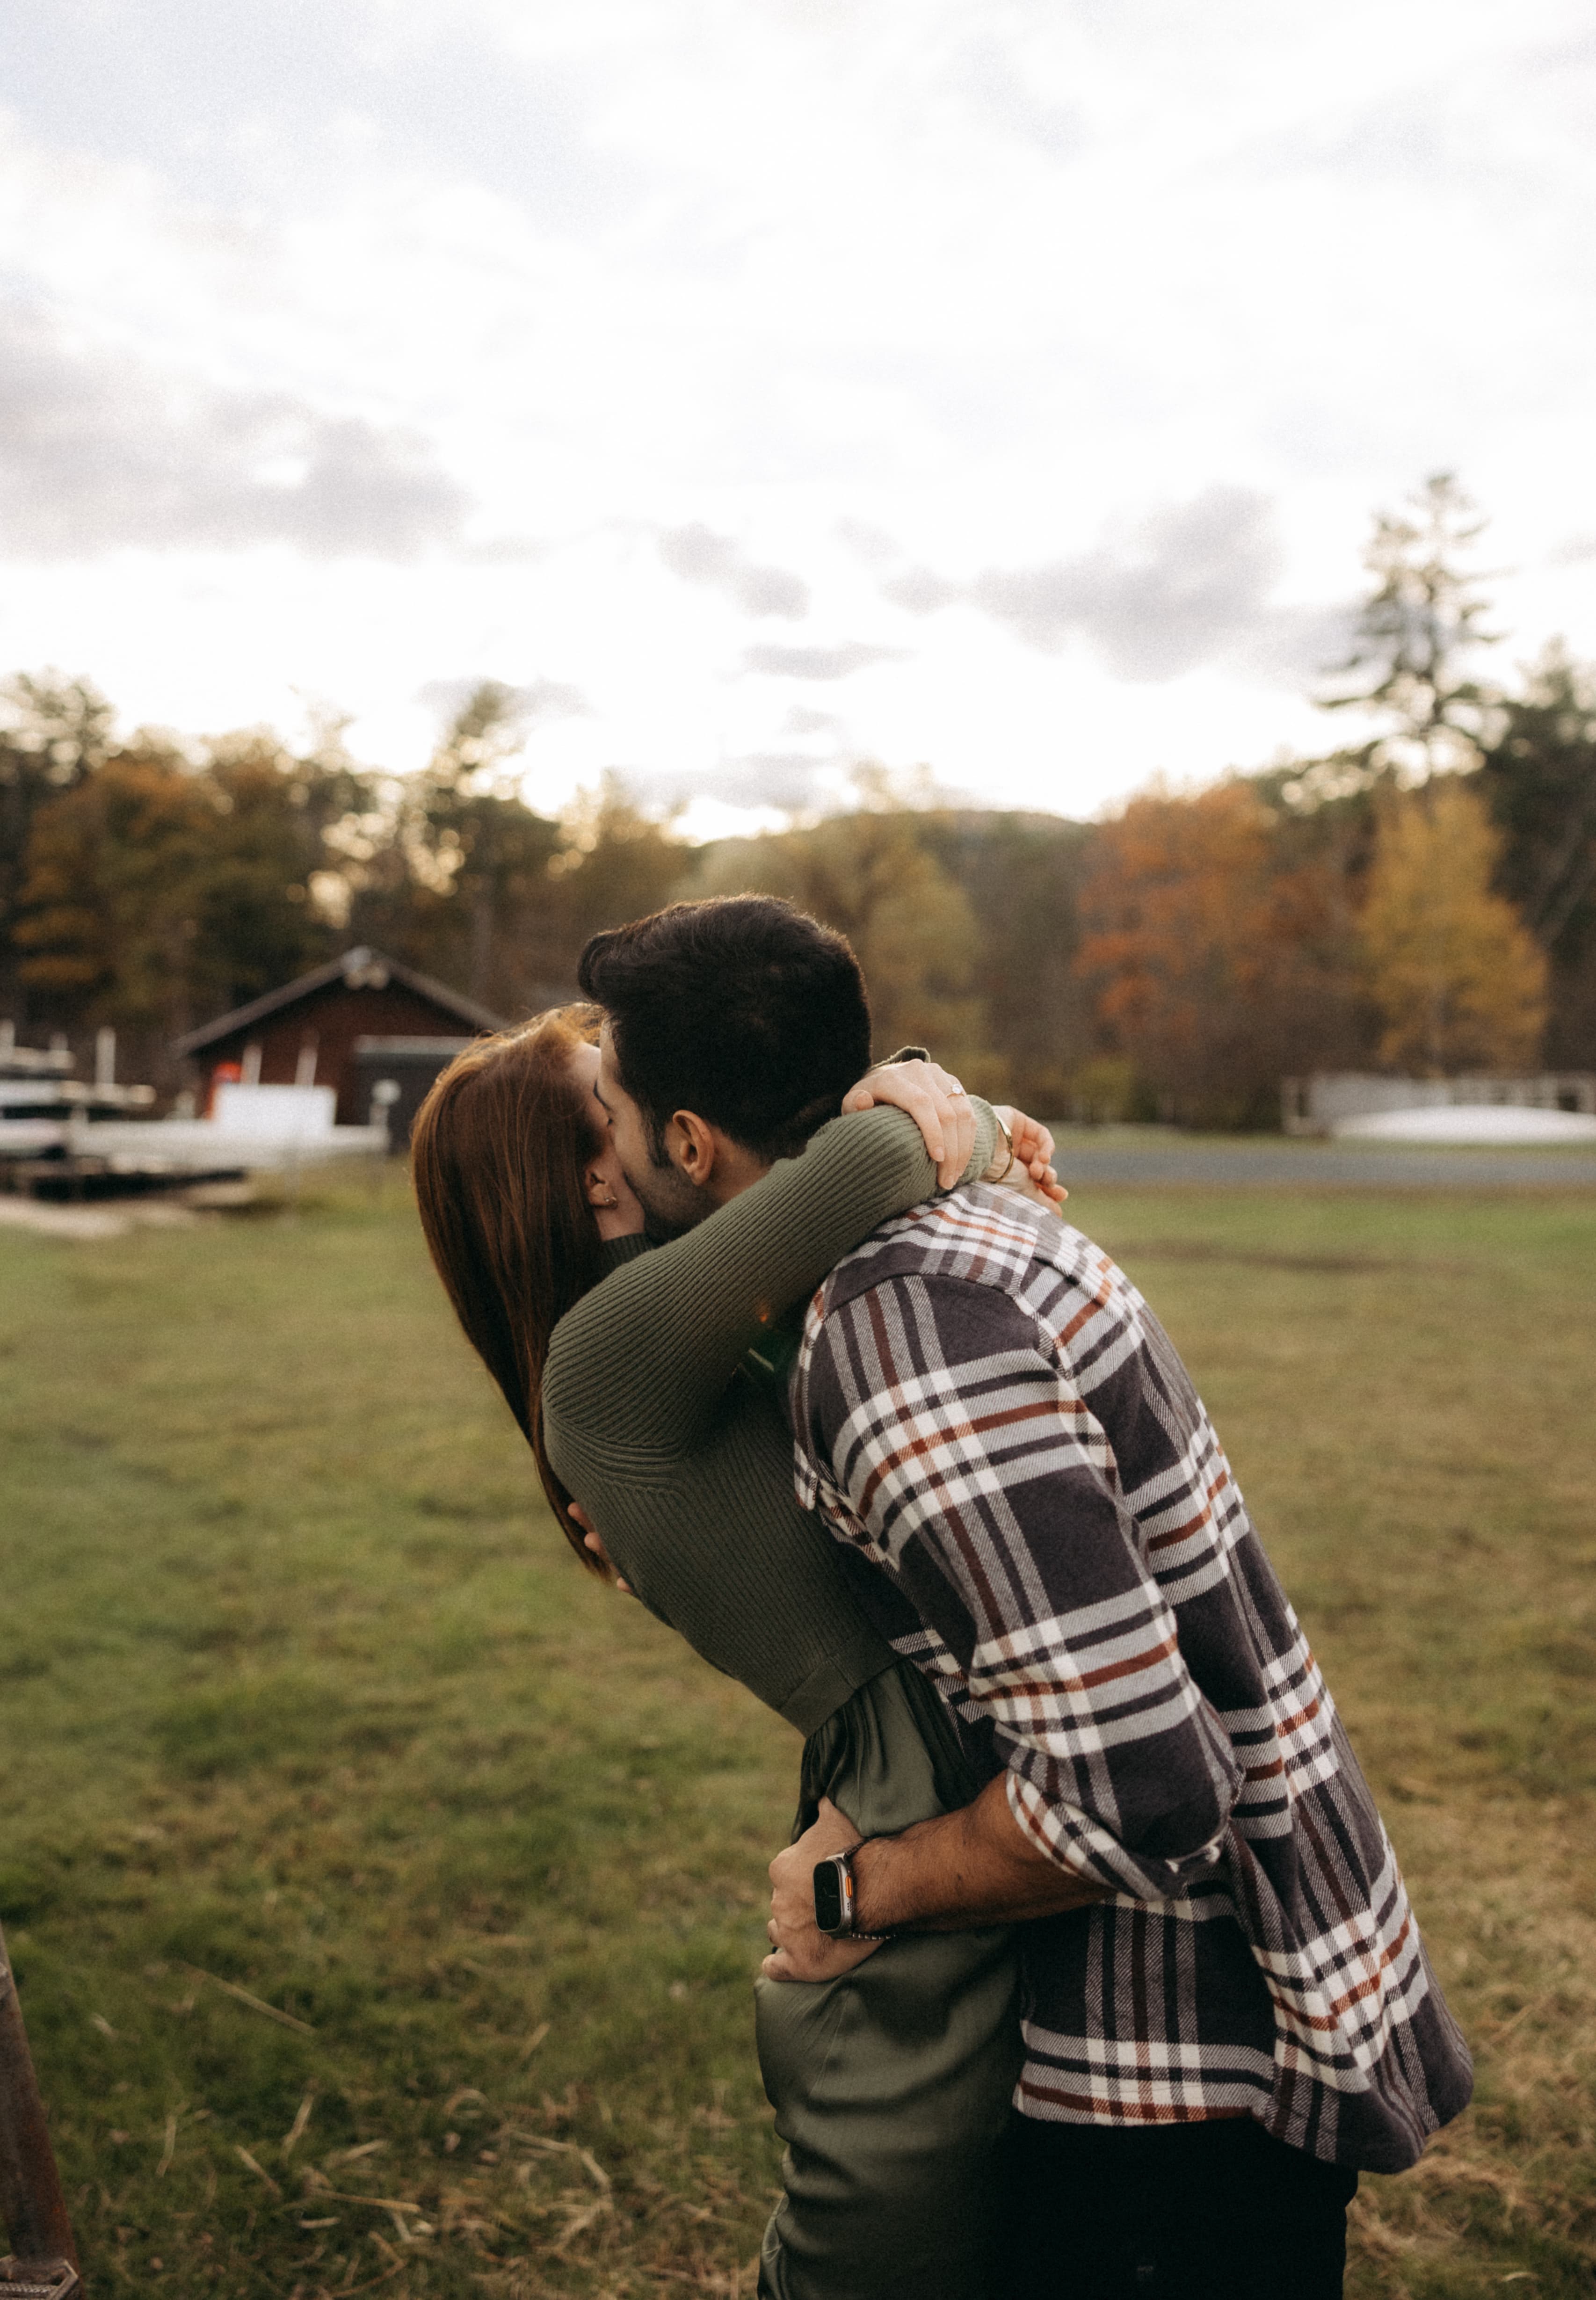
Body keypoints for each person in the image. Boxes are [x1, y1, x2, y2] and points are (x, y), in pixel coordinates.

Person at [571, 894, 1476, 2300]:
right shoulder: (955, 1234)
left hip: (1163, 2080)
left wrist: (847, 1886)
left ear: (688, 1143)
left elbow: (1135, 1796)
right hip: (1211, 2035)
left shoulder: (902, 1333)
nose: (608, 1163)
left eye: (616, 1122)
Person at [408, 933, 1066, 2300]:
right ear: (598, 1169)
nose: (671, 1114)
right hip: (897, 1774)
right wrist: (944, 1100)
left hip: (917, 1744)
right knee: (886, 2217)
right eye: (621, 1093)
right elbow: (873, 1163)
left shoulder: (670, 1339)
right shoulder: (611, 1352)